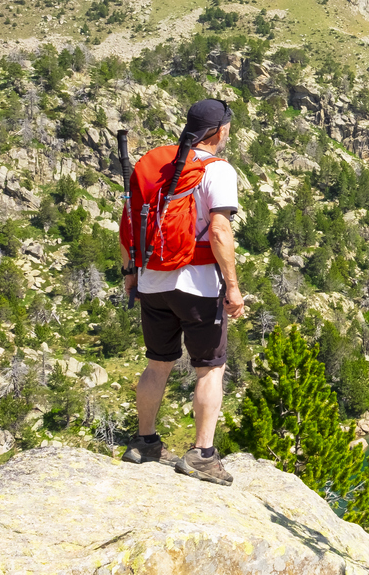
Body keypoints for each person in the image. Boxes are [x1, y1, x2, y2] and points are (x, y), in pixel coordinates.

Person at [119, 99, 245, 485]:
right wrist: (234, 287)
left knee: (159, 362)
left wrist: (130, 273)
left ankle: (145, 443)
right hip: (199, 284)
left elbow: (129, 216)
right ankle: (202, 454)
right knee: (210, 367)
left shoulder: (161, 167)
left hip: (152, 280)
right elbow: (221, 232)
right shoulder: (217, 170)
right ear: (221, 132)